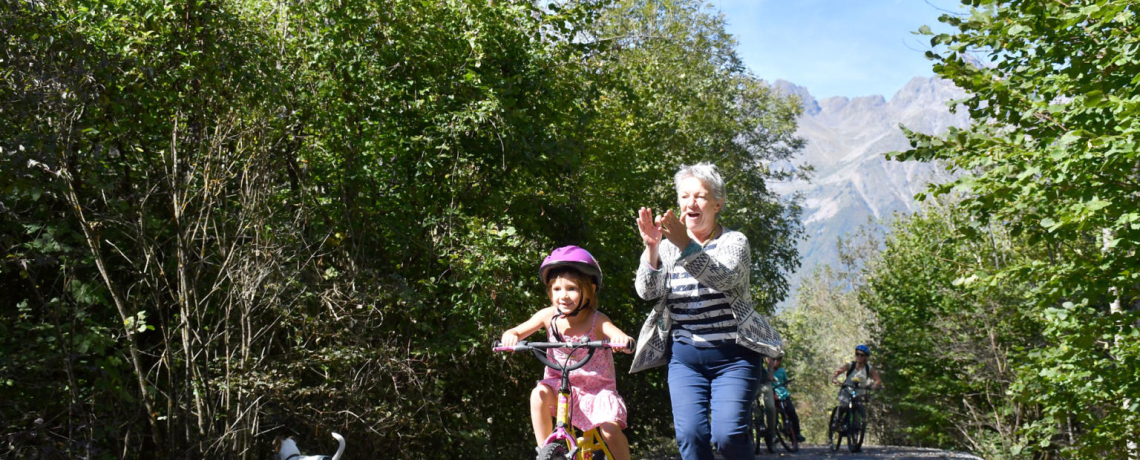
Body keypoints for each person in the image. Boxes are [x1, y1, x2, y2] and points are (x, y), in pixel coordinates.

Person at [631, 162, 783, 460]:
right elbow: (647, 291)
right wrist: (651, 248)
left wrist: (684, 244)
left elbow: (722, 277)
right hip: (685, 359)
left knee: (728, 436)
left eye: (700, 196)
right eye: (685, 196)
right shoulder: (667, 247)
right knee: (691, 437)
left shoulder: (734, 242)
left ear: (717, 203)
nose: (691, 203)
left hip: (735, 357)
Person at [501, 245, 634, 460]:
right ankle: (546, 452)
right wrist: (512, 335)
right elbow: (518, 330)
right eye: (556, 289)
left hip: (596, 391)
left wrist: (621, 340)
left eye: (571, 289)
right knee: (538, 395)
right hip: (561, 387)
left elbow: (617, 334)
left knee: (609, 430)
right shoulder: (548, 316)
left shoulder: (597, 320)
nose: (563, 296)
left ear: (589, 290)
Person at [830, 344, 883, 416]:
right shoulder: (851, 365)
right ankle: (837, 421)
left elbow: (878, 380)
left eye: (861, 355)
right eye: (857, 354)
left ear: (865, 357)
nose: (859, 356)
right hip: (847, 390)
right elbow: (838, 371)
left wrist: (874, 385)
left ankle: (856, 425)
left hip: (859, 393)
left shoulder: (869, 368)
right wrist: (834, 378)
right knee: (844, 405)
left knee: (859, 408)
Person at [767, 354, 805, 443]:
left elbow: (785, 383)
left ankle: (797, 433)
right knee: (774, 416)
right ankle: (773, 435)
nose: (776, 362)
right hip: (774, 397)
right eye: (774, 360)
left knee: (792, 414)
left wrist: (785, 391)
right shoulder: (767, 372)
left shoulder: (782, 371)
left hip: (784, 396)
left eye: (778, 360)